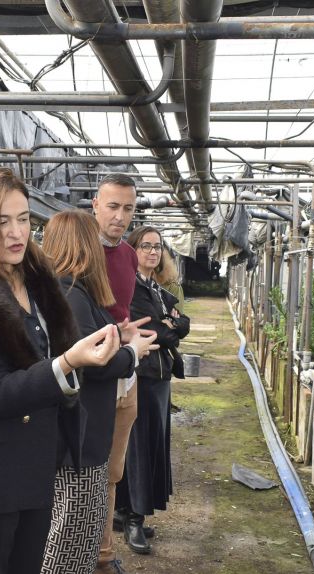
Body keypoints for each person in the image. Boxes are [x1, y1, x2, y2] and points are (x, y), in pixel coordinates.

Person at [0, 168, 122, 574]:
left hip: (36, 468)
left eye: (22, 219)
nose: (16, 232)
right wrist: (68, 363)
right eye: (1, 222)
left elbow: (48, 361)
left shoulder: (36, 282)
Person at [41, 210, 157, 574]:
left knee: (81, 525)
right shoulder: (72, 292)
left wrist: (117, 332)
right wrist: (131, 353)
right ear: (81, 245)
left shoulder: (73, 290)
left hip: (85, 432)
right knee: (71, 532)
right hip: (80, 433)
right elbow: (97, 364)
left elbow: (88, 341)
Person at [117, 226, 191, 554]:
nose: (152, 252)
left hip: (160, 377)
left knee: (152, 444)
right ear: (132, 250)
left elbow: (178, 322)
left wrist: (172, 326)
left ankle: (127, 511)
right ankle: (133, 517)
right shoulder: (130, 286)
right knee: (139, 447)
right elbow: (149, 331)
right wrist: (169, 327)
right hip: (142, 376)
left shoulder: (155, 288)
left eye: (157, 247)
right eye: (145, 246)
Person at [91, 173, 142, 574]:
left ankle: (103, 553)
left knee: (112, 470)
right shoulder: (80, 253)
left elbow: (120, 309)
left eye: (128, 208)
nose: (120, 216)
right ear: (95, 205)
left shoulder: (127, 255)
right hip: (94, 374)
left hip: (127, 372)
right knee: (85, 468)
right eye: (113, 206)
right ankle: (81, 552)